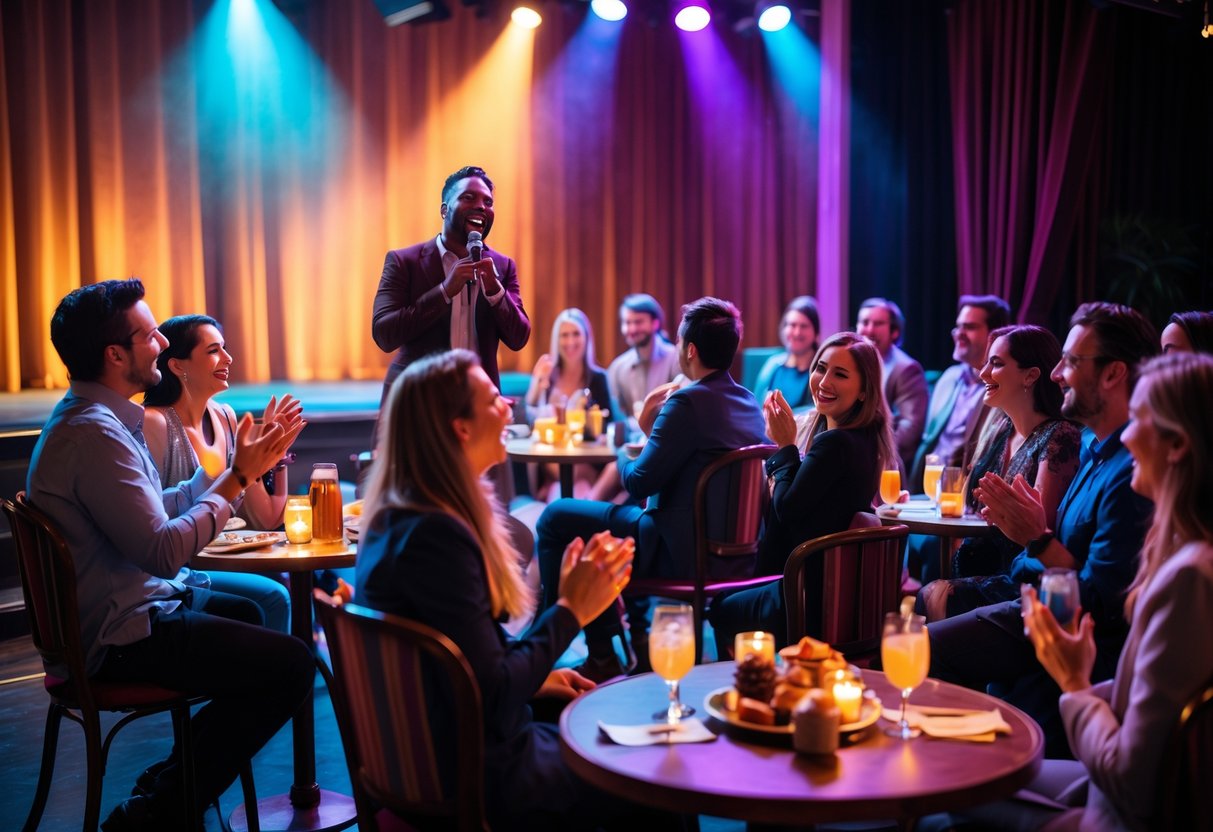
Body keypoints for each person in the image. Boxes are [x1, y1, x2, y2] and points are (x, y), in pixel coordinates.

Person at [26, 279, 313, 830]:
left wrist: (236, 474)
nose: (161, 340)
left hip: (119, 616)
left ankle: (167, 789)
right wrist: (235, 481)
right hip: (118, 639)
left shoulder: (98, 421)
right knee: (293, 665)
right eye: (149, 333)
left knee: (252, 614)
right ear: (115, 355)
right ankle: (160, 811)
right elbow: (161, 550)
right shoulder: (95, 435)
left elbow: (153, 508)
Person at [354, 350, 654, 831]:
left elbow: (463, 656)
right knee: (651, 771)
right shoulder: (436, 538)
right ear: (460, 427)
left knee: (622, 726)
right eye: (494, 399)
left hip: (440, 750)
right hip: (479, 774)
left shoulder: (397, 520)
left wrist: (538, 677)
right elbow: (493, 699)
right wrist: (570, 610)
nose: (509, 406)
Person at [928, 352, 1213, 831]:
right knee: (961, 768)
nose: (1128, 435)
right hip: (1110, 783)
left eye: (1140, 419)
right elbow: (1150, 703)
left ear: (1178, 445)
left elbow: (1132, 782)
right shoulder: (1184, 551)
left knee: (943, 795)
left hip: (1120, 814)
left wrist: (1075, 682)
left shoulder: (1190, 578)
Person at [925, 302, 1157, 758]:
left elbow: (1098, 598)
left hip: (1065, 627)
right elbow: (1034, 559)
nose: (1056, 374)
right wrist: (1034, 543)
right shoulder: (1094, 448)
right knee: (922, 624)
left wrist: (1037, 538)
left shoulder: (1132, 472)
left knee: (926, 647)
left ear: (1112, 375)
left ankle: (958, 777)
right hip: (1030, 596)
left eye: (1071, 361)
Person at [536, 297, 767, 679]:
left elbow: (639, 479)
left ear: (689, 350)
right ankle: (605, 648)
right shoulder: (747, 401)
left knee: (557, 515)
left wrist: (626, 445)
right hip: (737, 555)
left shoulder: (685, 403)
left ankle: (565, 643)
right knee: (588, 522)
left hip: (676, 551)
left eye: (679, 342)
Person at [709, 332, 896, 652]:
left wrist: (785, 446)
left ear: (864, 391)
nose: (824, 381)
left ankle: (754, 684)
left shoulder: (835, 443)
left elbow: (787, 509)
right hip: (830, 587)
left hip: (805, 589)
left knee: (719, 607)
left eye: (840, 374)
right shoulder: (865, 440)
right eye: (820, 368)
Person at [141, 314, 294, 632]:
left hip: (227, 558)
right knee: (275, 594)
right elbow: (149, 521)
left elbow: (266, 517)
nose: (228, 358)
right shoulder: (154, 423)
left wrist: (274, 454)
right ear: (177, 365)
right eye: (213, 350)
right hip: (180, 565)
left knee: (287, 581)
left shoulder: (225, 417)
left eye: (224, 348)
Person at [917, 325, 1081, 620]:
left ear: (1030, 375)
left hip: (1021, 581)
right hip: (980, 566)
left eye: (997, 363)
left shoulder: (1060, 435)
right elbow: (969, 507)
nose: (983, 373)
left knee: (932, 596)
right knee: (929, 593)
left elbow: (1036, 528)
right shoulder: (999, 430)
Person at [371, 164, 531, 403]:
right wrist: (445, 291)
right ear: (445, 210)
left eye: (488, 202)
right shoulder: (404, 261)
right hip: (417, 406)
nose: (481, 206)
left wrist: (496, 292)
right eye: (469, 197)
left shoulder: (503, 266)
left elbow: (519, 338)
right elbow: (384, 334)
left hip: (478, 407)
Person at [904, 295, 1012, 585]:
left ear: (995, 335)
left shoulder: (1000, 390)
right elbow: (929, 441)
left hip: (961, 495)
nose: (958, 333)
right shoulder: (950, 377)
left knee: (927, 543)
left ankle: (931, 623)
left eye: (970, 327)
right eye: (957, 326)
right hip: (927, 488)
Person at [523, 308, 615, 500]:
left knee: (578, 493)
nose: (570, 341)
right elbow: (528, 418)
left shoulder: (598, 378)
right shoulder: (549, 375)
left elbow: (608, 425)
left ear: (586, 338)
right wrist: (537, 383)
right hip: (552, 465)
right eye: (564, 335)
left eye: (576, 334)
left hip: (586, 464)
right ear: (557, 340)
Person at [855, 297, 928, 475]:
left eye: (878, 323)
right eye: (865, 322)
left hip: (885, 465)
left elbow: (910, 428)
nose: (870, 330)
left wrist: (875, 454)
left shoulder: (906, 369)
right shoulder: (855, 362)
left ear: (894, 331)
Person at [605, 293, 680, 426]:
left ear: (655, 323)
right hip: (630, 443)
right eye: (627, 323)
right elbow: (618, 419)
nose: (632, 329)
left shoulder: (676, 359)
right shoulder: (617, 367)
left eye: (638, 322)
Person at [751, 296, 821, 412]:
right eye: (792, 325)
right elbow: (756, 408)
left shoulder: (820, 371)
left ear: (816, 332)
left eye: (804, 326)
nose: (797, 332)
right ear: (783, 329)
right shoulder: (772, 365)